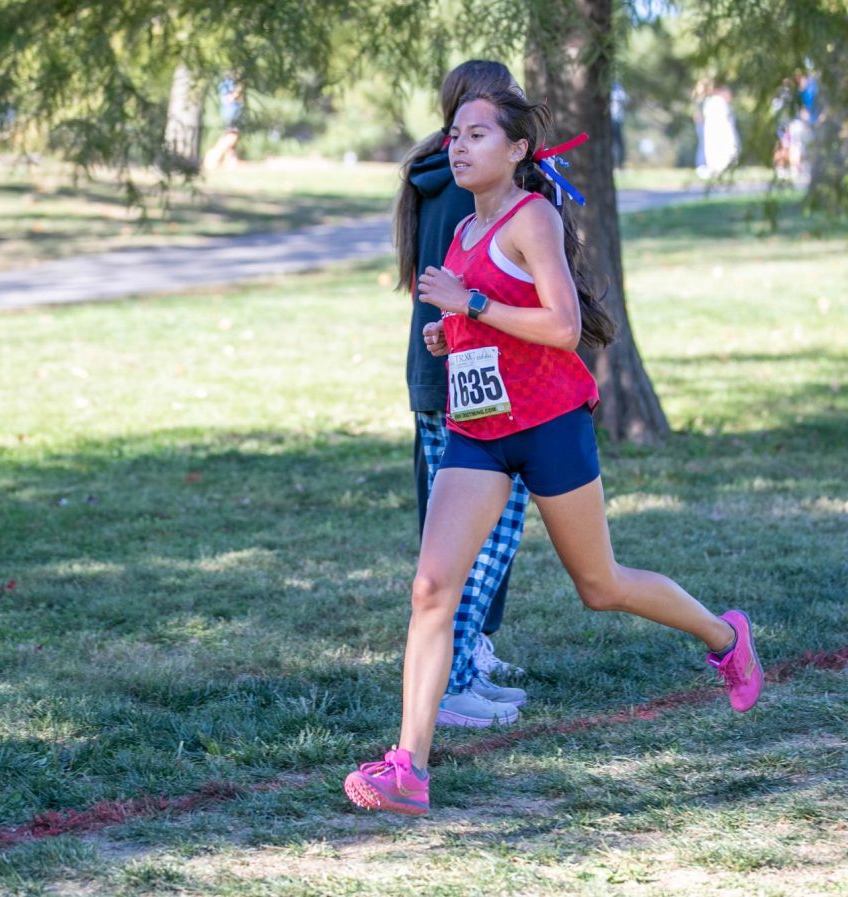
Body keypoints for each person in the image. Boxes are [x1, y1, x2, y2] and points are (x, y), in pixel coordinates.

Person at [344, 86, 765, 817]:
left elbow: (565, 325)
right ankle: (408, 766)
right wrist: (454, 335)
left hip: (549, 424)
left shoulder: (529, 216)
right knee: (430, 588)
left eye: (478, 134)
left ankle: (726, 636)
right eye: (454, 133)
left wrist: (471, 306)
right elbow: (484, 321)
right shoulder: (462, 233)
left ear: (516, 151)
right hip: (480, 429)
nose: (460, 144)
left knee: (599, 585)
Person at [393, 60, 531, 731]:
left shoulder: (442, 172)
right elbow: (477, 291)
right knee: (480, 536)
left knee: (482, 533)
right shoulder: (461, 182)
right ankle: (452, 679)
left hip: (458, 375)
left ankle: (463, 665)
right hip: (464, 377)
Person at [203, 75, 243, 171]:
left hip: (234, 114)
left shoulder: (234, 83)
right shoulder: (226, 84)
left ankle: (230, 161)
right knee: (232, 136)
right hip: (229, 114)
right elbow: (227, 98)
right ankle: (214, 155)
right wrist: (237, 93)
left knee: (232, 138)